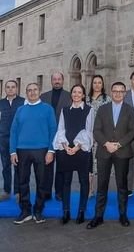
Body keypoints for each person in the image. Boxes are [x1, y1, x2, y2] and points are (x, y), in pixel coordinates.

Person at [86, 82, 134, 229]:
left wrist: (118, 144)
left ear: (124, 93)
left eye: (121, 91)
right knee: (102, 185)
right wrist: (106, 144)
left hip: (122, 151)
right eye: (115, 91)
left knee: (122, 186)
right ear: (111, 92)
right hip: (104, 151)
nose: (118, 94)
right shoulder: (102, 109)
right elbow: (96, 130)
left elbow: (132, 131)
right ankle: (98, 216)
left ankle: (123, 215)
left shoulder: (130, 110)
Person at [10, 83, 57, 224]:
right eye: (29, 90)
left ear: (40, 92)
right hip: (22, 150)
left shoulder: (48, 109)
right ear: (26, 93)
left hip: (42, 150)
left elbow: (53, 130)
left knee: (42, 181)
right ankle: (25, 211)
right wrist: (12, 151)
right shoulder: (20, 110)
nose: (32, 92)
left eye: (35, 90)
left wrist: (51, 150)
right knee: (22, 181)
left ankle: (38, 210)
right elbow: (13, 131)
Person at [53, 84, 94, 225]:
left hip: (81, 150)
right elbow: (61, 129)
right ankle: (66, 212)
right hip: (65, 149)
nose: (76, 94)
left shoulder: (89, 110)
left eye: (79, 92)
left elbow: (89, 131)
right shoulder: (64, 110)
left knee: (84, 181)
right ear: (71, 94)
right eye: (74, 92)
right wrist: (65, 146)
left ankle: (81, 211)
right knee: (66, 182)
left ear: (83, 95)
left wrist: (77, 147)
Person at [41, 71, 71, 200]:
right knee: (47, 164)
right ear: (51, 81)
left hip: (63, 135)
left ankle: (59, 192)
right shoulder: (43, 96)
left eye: (59, 79)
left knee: (61, 165)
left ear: (63, 81)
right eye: (54, 79)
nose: (57, 81)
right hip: (47, 135)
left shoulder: (69, 96)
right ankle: (46, 191)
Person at [86, 75, 112, 197]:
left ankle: (101, 190)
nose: (97, 85)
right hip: (87, 135)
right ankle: (90, 189)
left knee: (100, 165)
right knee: (88, 164)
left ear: (102, 84)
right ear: (92, 84)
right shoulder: (86, 99)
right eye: (95, 82)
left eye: (99, 82)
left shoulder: (108, 99)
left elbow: (110, 118)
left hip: (102, 136)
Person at [0, 80, 24, 202]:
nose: (10, 89)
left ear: (16, 88)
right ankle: (7, 190)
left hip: (18, 140)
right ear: (5, 89)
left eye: (13, 87)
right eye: (8, 87)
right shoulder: (1, 103)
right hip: (3, 139)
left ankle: (18, 191)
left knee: (18, 166)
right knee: (5, 166)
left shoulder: (23, 102)